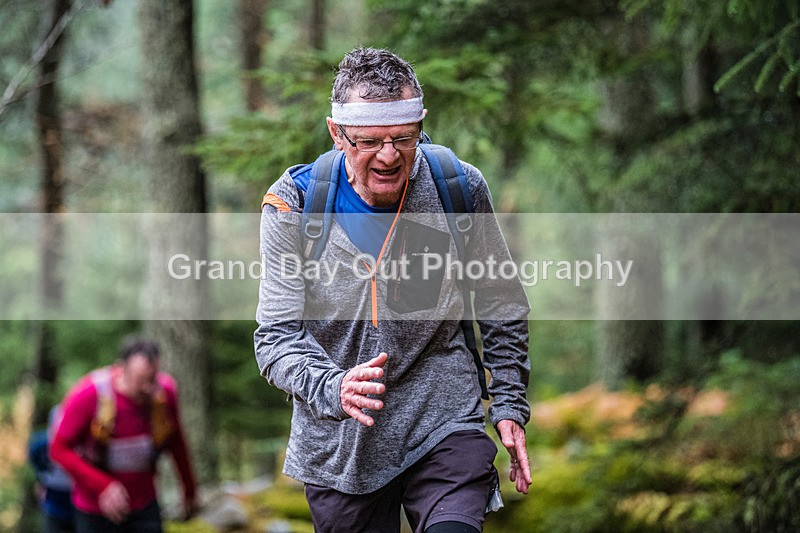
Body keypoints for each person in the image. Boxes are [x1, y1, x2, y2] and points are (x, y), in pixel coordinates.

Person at [255, 47, 531, 533]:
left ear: (420, 125)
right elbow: (275, 339)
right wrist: (333, 387)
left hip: (444, 417)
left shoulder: (457, 188)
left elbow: (501, 301)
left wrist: (508, 401)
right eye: (369, 142)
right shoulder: (293, 205)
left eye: (404, 138)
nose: (389, 156)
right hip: (341, 446)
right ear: (337, 133)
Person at [51, 336, 197, 533]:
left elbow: (177, 443)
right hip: (95, 510)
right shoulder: (90, 394)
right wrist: (102, 486)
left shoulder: (164, 395)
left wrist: (189, 490)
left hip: (145, 506)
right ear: (121, 369)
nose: (147, 388)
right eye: (140, 381)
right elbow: (58, 449)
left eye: (152, 379)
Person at [28, 405, 75, 532]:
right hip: (54, 504)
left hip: (79, 504)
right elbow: (36, 462)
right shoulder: (40, 446)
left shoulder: (83, 446)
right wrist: (40, 481)